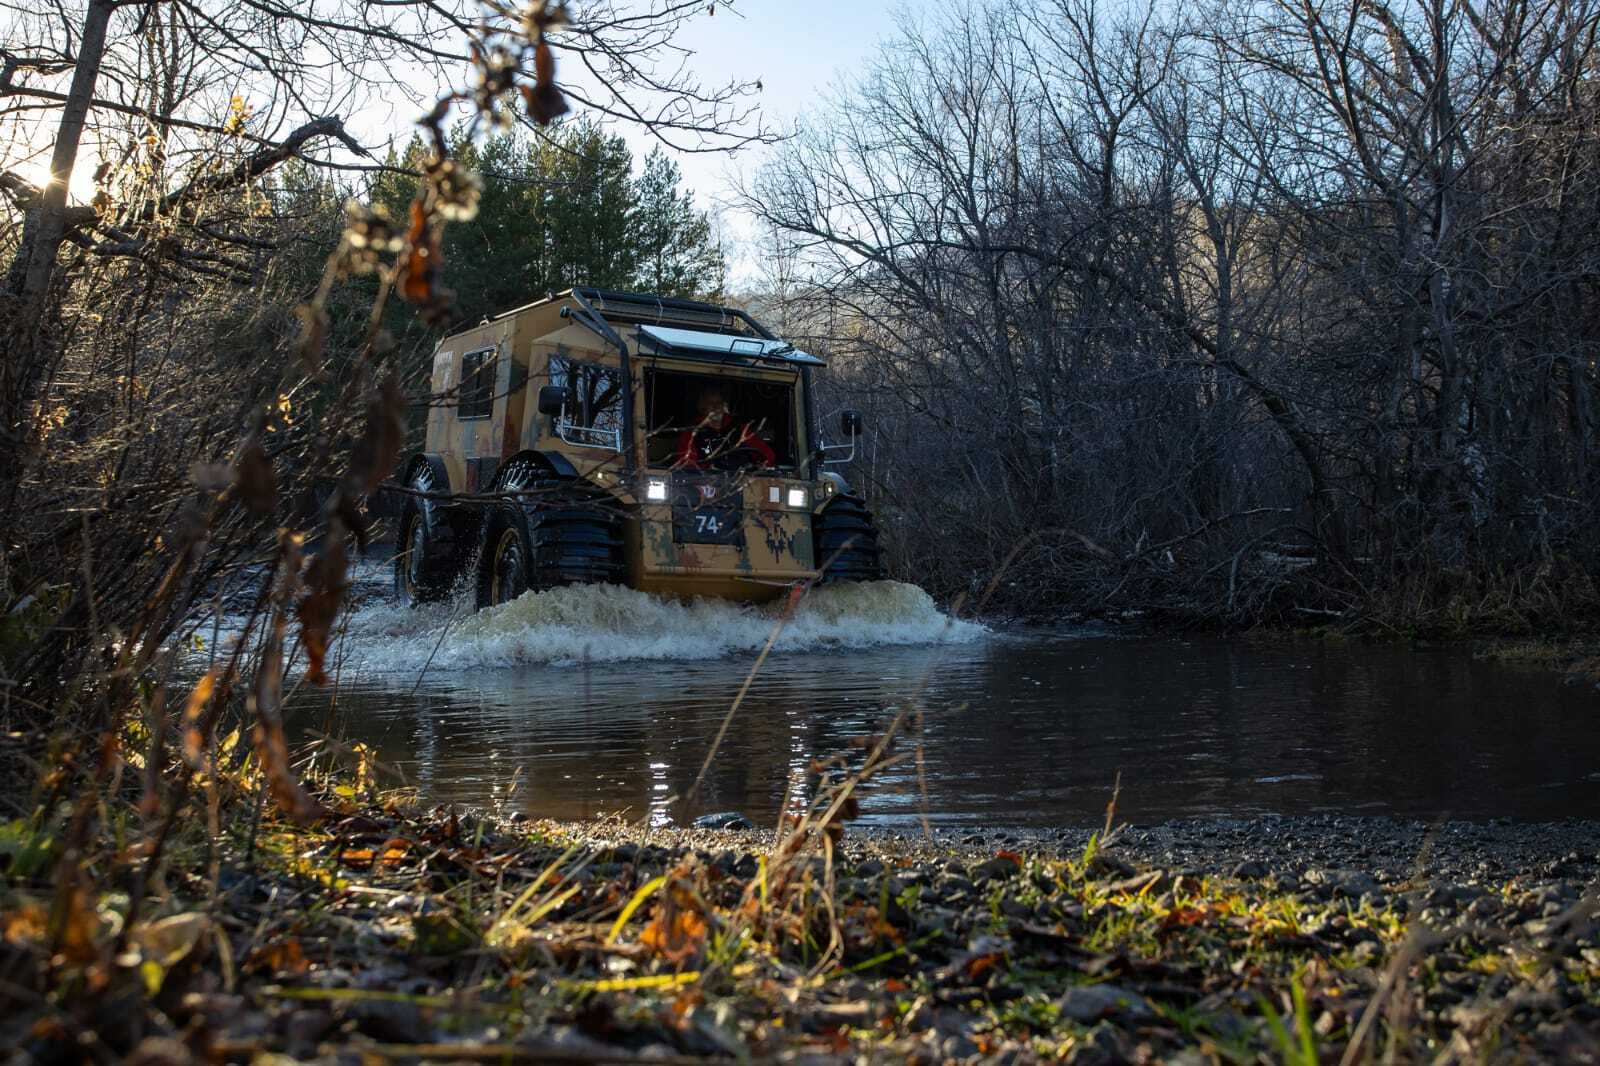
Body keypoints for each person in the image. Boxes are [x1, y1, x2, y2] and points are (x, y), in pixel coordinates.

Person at [675, 387, 775, 471]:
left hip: (740, 482)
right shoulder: (691, 433)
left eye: (718, 403)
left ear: (724, 406)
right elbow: (686, 465)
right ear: (702, 406)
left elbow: (767, 455)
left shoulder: (740, 429)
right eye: (710, 403)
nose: (715, 407)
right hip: (707, 486)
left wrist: (761, 465)